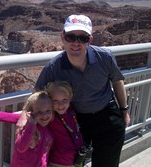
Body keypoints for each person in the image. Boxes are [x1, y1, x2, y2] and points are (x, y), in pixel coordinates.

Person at [34, 14, 131, 167]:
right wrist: (29, 116)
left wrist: (124, 111)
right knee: (74, 163)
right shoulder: (54, 67)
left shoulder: (104, 57)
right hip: (76, 122)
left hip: (107, 116)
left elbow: (117, 81)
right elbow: (37, 93)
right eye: (71, 37)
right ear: (63, 38)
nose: (75, 43)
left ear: (90, 40)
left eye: (82, 38)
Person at [0, 81, 85, 167]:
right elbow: (13, 117)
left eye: (64, 100)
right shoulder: (40, 120)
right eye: (55, 101)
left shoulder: (67, 114)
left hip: (72, 160)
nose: (44, 115)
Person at [0, 91, 54, 167]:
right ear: (30, 112)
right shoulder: (26, 123)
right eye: (39, 111)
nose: (44, 115)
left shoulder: (49, 126)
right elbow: (8, 117)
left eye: (48, 111)